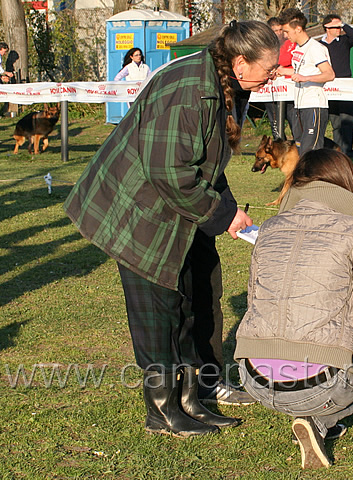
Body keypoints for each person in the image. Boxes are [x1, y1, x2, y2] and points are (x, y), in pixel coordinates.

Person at [64, 21, 280, 438]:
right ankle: (161, 412)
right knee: (157, 313)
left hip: (173, 207)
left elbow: (205, 162)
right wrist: (221, 215)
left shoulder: (223, 85)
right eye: (269, 68)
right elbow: (169, 171)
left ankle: (189, 401)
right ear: (240, 62)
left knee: (186, 305)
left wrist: (228, 207)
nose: (274, 76)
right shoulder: (189, 92)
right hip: (137, 210)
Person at [235, 148, 353, 469]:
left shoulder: (269, 228)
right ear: (346, 184)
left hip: (252, 377)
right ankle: (319, 423)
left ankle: (313, 416)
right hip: (312, 386)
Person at [278, 8, 335, 155]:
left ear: (298, 28)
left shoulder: (315, 48)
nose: (285, 35)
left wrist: (305, 78)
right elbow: (301, 70)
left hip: (314, 105)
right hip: (299, 105)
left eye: (287, 31)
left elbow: (329, 74)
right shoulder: (298, 48)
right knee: (300, 148)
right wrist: (282, 71)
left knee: (311, 151)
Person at [320, 14, 353, 158]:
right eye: (335, 27)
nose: (338, 29)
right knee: (335, 120)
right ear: (327, 28)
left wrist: (344, 25)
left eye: (339, 27)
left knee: (347, 120)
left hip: (345, 86)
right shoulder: (319, 45)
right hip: (329, 87)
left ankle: (348, 151)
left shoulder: (344, 41)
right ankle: (338, 151)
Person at [265, 16, 296, 140]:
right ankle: (279, 145)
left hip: (289, 88)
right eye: (275, 31)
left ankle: (298, 147)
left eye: (280, 30)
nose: (278, 33)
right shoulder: (267, 46)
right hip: (272, 90)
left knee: (293, 119)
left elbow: (290, 60)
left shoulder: (291, 43)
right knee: (275, 122)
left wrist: (280, 69)